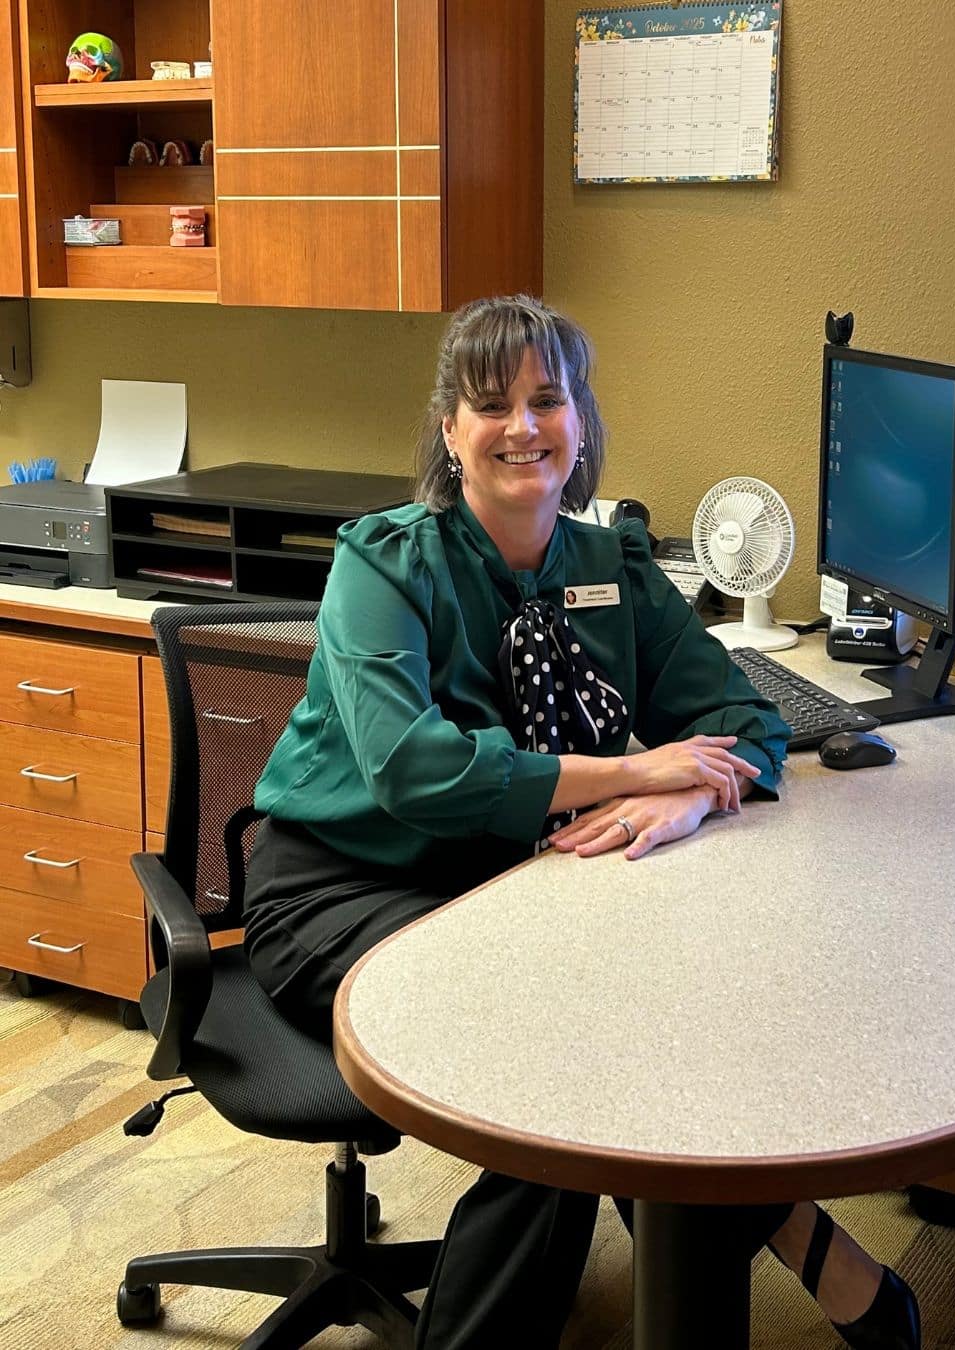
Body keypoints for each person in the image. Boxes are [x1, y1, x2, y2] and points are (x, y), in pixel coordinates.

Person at [243, 295, 920, 1350]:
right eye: (491, 404)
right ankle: (805, 1243)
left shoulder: (611, 568)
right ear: (450, 430)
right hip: (343, 888)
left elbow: (746, 721)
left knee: (637, 1028)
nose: (523, 426)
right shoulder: (384, 566)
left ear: (581, 421)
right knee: (559, 1080)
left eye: (546, 399)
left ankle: (736, 1283)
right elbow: (413, 772)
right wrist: (632, 768)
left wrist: (688, 792)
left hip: (508, 884)